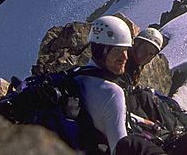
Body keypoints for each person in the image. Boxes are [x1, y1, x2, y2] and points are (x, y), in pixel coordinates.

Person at [69, 15, 165, 155]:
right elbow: (120, 148)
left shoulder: (77, 76)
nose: (125, 57)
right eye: (117, 50)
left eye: (126, 50)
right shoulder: (112, 91)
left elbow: (105, 114)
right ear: (102, 50)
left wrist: (144, 121)